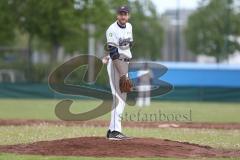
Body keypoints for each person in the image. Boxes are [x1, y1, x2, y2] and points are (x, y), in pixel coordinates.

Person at [102, 6, 133, 140]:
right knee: (119, 99)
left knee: (121, 99)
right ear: (117, 16)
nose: (123, 16)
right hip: (117, 64)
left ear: (128, 16)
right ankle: (115, 132)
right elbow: (114, 53)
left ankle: (111, 130)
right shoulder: (111, 29)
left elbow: (128, 45)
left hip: (125, 63)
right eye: (120, 14)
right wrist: (122, 73)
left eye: (125, 14)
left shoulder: (129, 27)